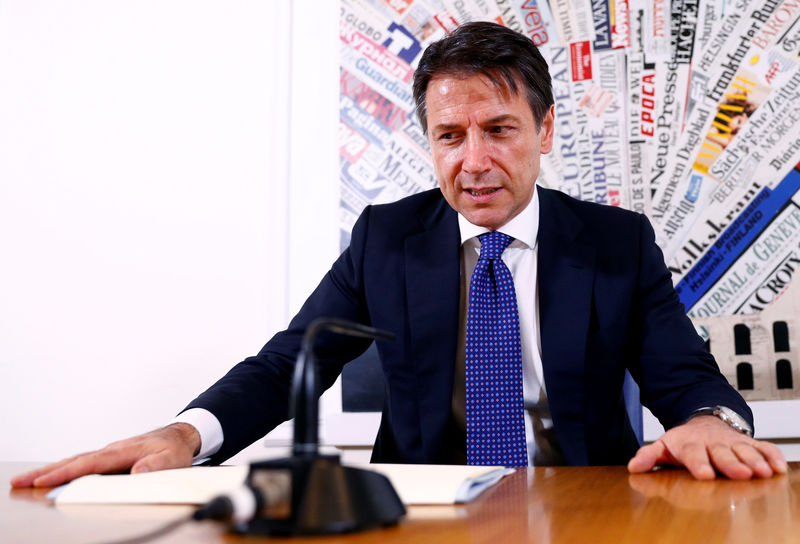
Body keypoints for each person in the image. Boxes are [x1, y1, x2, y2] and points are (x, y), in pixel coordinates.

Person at [12, 22, 786, 489]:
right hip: (422, 512)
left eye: (500, 129)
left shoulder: (615, 243)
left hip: (585, 503)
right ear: (429, 142)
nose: (474, 160)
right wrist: (190, 433)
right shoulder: (387, 238)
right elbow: (292, 361)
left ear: (545, 133)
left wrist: (712, 421)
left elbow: (684, 375)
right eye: (450, 136)